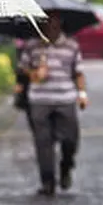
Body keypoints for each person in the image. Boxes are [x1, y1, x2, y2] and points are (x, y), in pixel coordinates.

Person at [18, 12, 89, 195]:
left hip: (65, 98)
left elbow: (78, 72)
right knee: (43, 142)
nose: (50, 26)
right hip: (40, 99)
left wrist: (82, 94)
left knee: (70, 139)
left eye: (54, 21)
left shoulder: (71, 46)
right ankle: (47, 182)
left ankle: (66, 166)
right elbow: (23, 68)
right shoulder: (33, 46)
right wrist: (34, 73)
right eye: (46, 22)